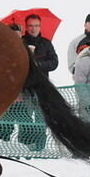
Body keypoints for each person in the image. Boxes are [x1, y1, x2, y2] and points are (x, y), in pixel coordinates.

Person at [19, 14, 58, 151]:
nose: (33, 28)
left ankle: (40, 145)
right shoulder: (20, 42)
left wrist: (38, 64)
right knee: (25, 116)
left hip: (42, 86)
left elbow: (54, 63)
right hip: (24, 86)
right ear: (26, 27)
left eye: (36, 25)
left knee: (41, 116)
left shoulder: (46, 43)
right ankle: (27, 144)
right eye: (30, 25)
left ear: (40, 26)